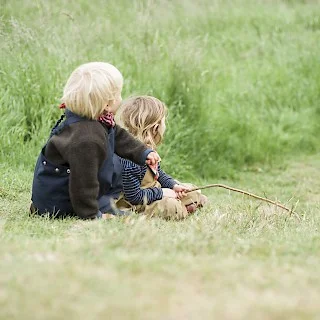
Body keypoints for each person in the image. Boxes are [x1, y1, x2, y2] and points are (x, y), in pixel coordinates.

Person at [30, 62, 159, 220]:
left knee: (117, 210)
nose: (121, 98)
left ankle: (98, 207)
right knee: (121, 216)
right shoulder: (86, 139)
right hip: (59, 201)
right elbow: (83, 183)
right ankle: (89, 211)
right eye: (119, 93)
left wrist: (143, 152)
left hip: (72, 195)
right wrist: (93, 216)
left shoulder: (97, 121)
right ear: (106, 103)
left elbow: (119, 137)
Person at [116, 96, 207, 220]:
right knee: (170, 206)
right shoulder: (131, 159)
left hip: (153, 192)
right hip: (135, 204)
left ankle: (185, 204)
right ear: (155, 128)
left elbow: (159, 175)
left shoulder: (147, 151)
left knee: (192, 191)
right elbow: (134, 196)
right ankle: (180, 208)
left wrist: (173, 186)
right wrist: (162, 193)